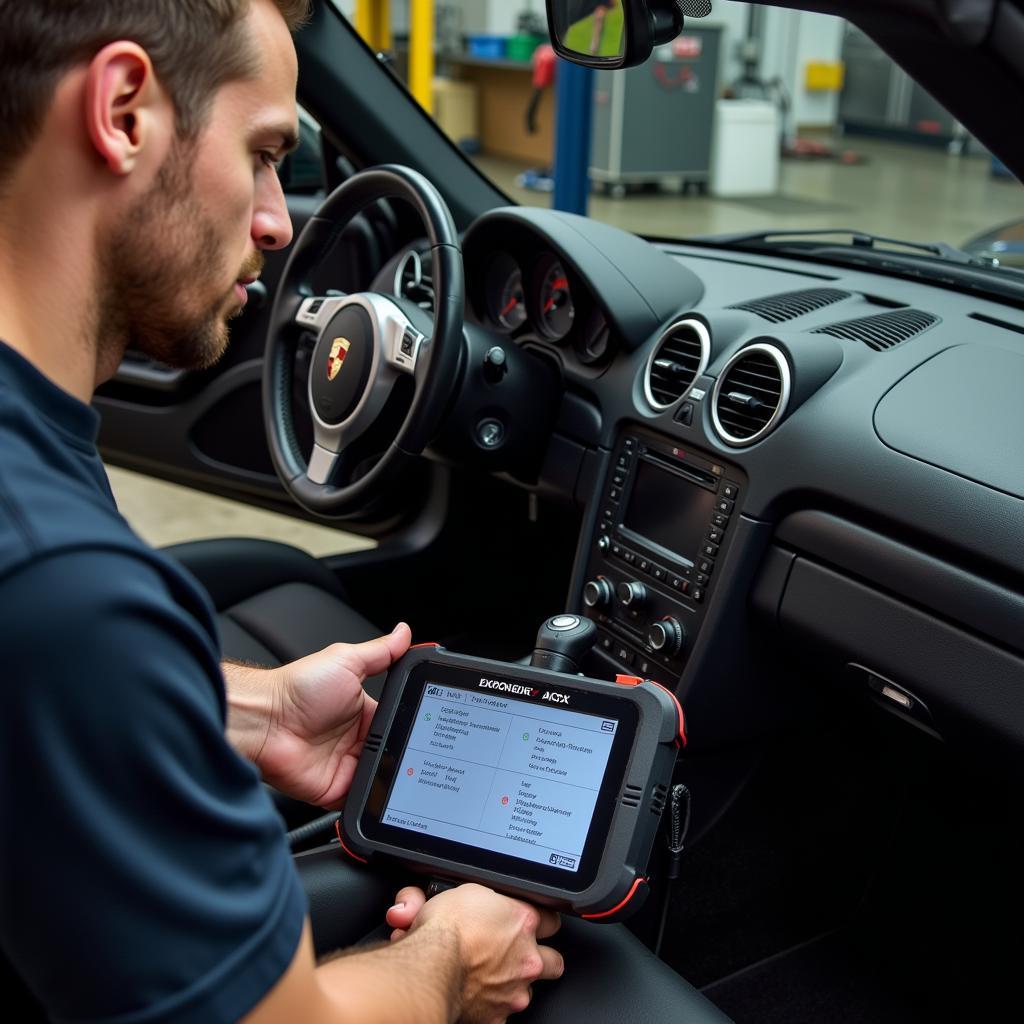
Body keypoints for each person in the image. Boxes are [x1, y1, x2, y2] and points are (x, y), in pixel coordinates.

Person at [0, 1, 563, 1021]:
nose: (277, 218)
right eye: (264, 154)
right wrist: (449, 959)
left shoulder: (32, 473)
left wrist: (247, 712)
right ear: (124, 111)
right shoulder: (60, 587)